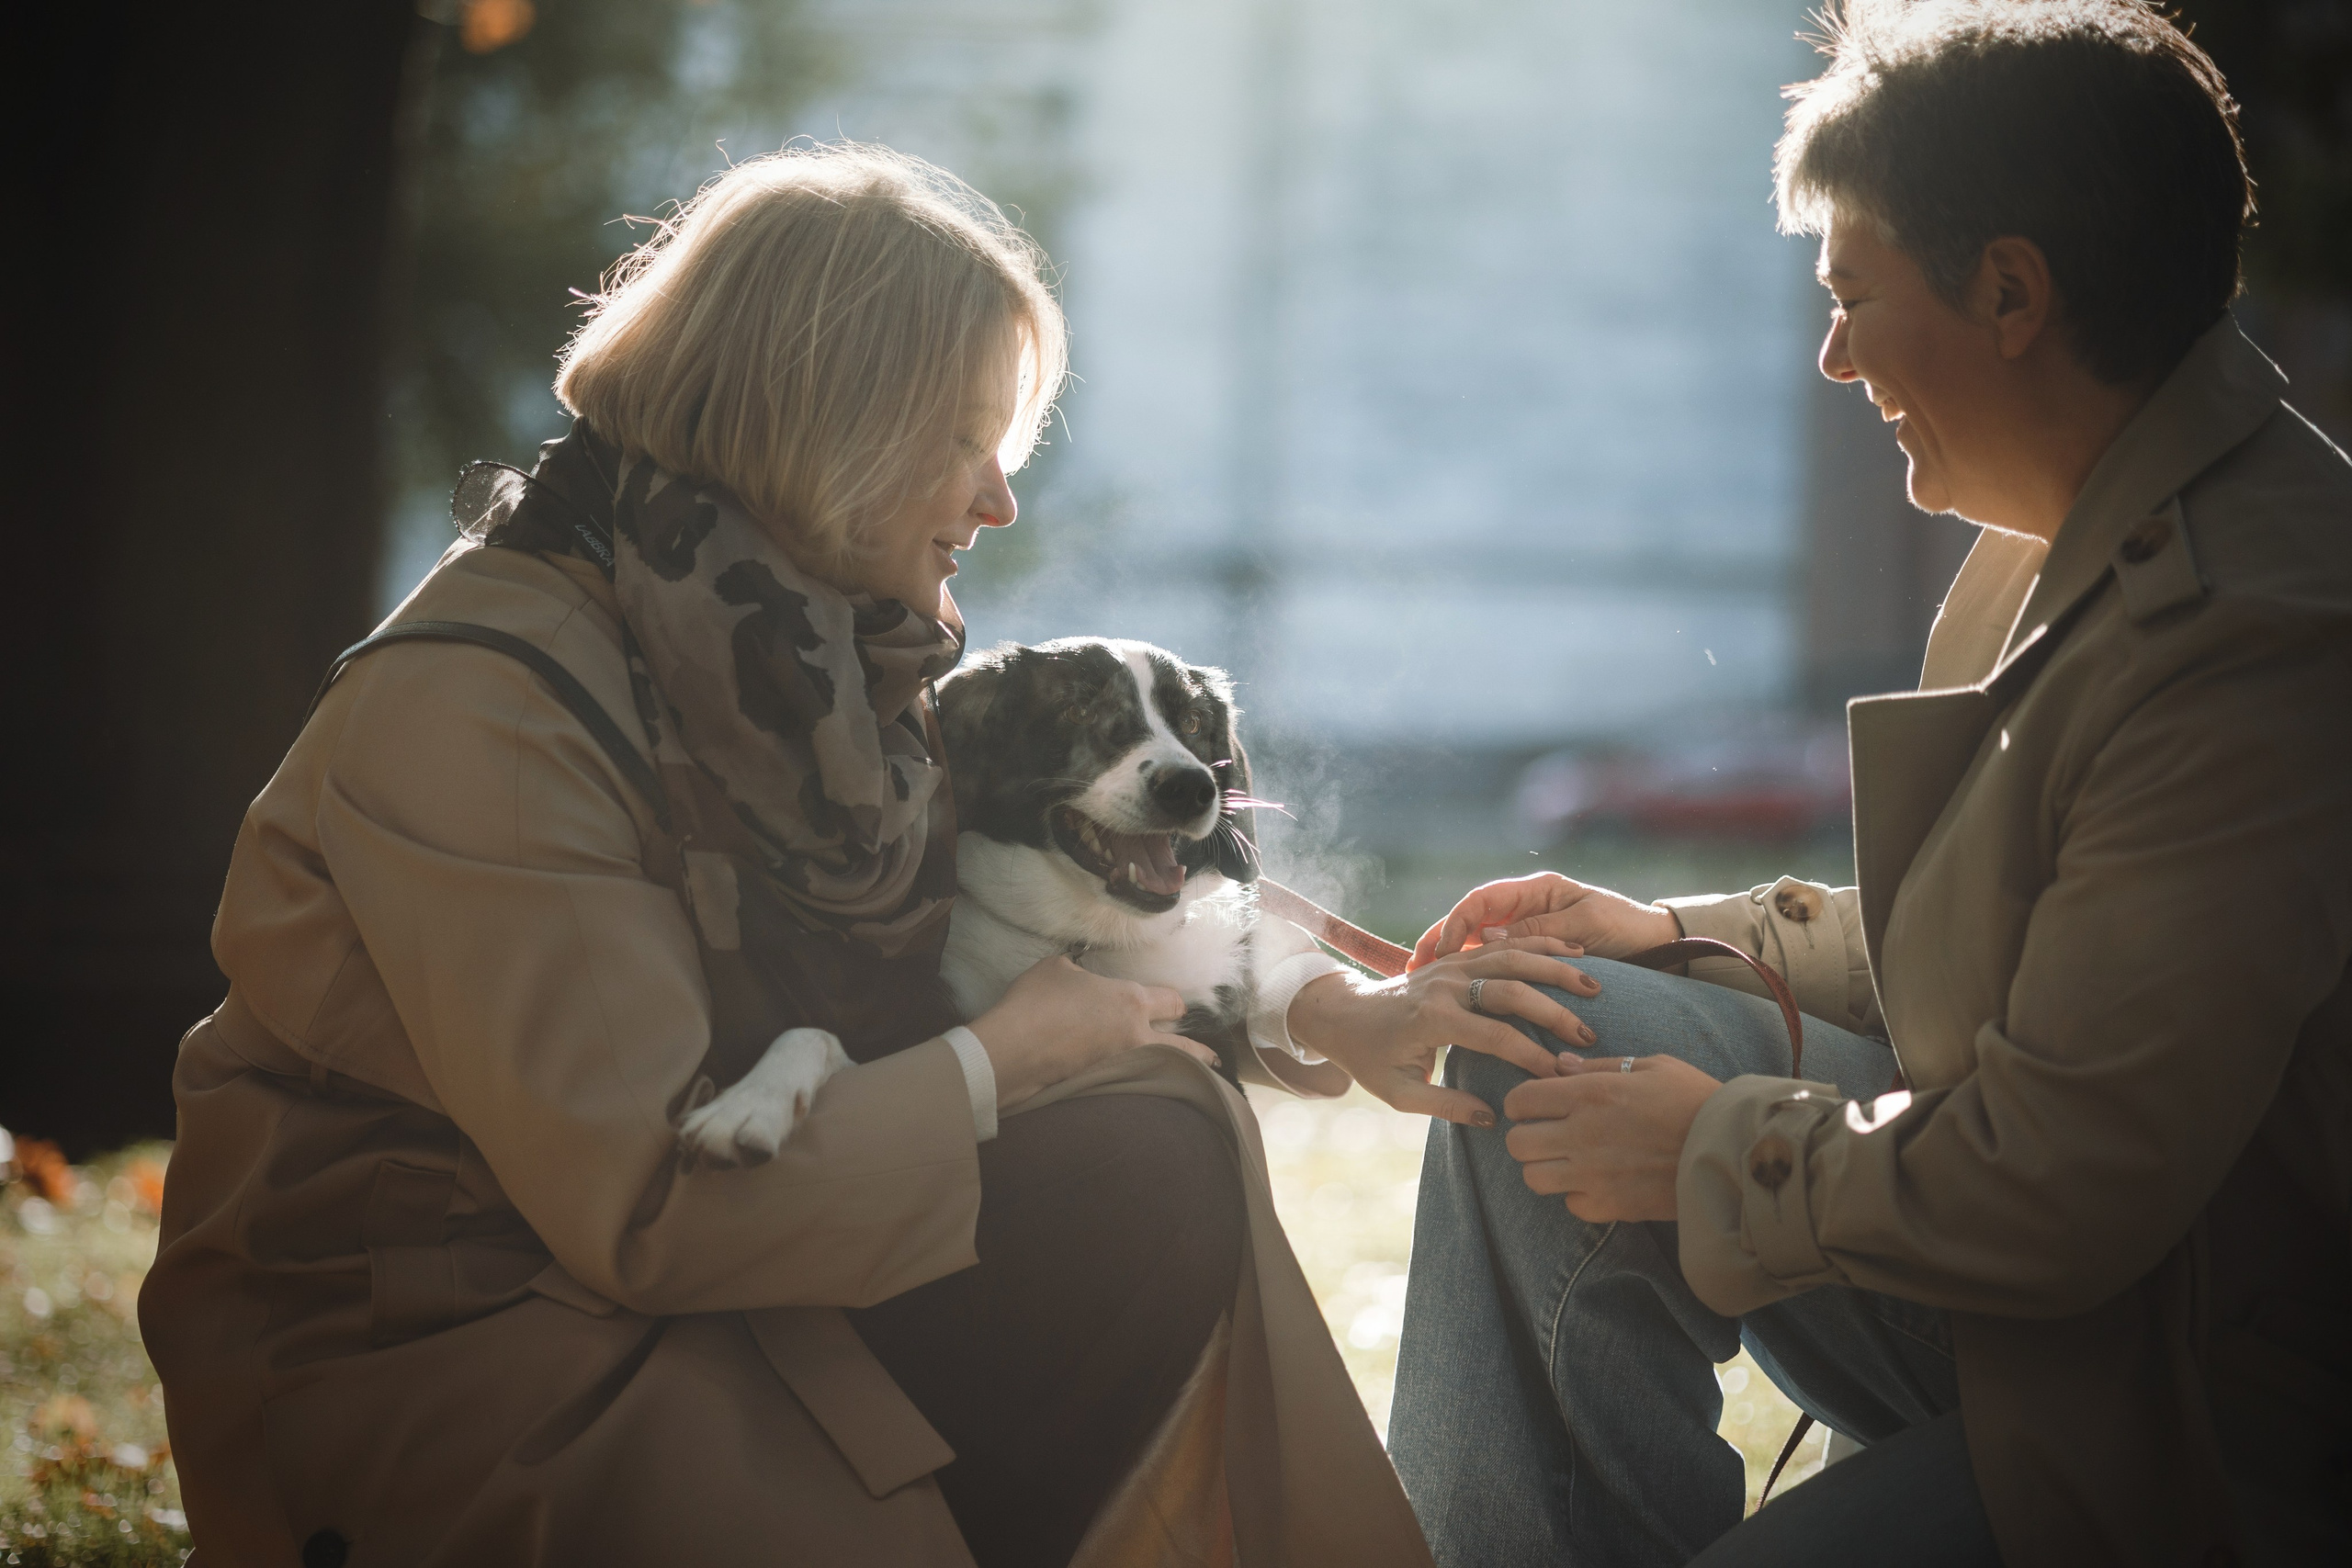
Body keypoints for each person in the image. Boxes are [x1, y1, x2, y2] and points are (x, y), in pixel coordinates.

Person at [139, 143, 1565, 1568]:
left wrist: (1330, 1007)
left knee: (1151, 1142)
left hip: (679, 1285)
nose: (999, 500)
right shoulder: (489, 709)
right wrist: (1000, 1064)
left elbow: (1059, 905)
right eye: (964, 438)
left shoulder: (788, 677)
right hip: (462, 1353)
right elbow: (645, 1209)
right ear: (828, 425)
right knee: (1131, 1151)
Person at [1381, 4, 2352, 1566]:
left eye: (1852, 300)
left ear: (2011, 290)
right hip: (2048, 1308)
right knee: (1544, 1025)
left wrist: (1714, 1151)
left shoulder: (2254, 632)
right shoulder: (2071, 531)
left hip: (2195, 1408)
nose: (1832, 359)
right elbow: (2039, 943)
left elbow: (2067, 1178)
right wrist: (1667, 934)